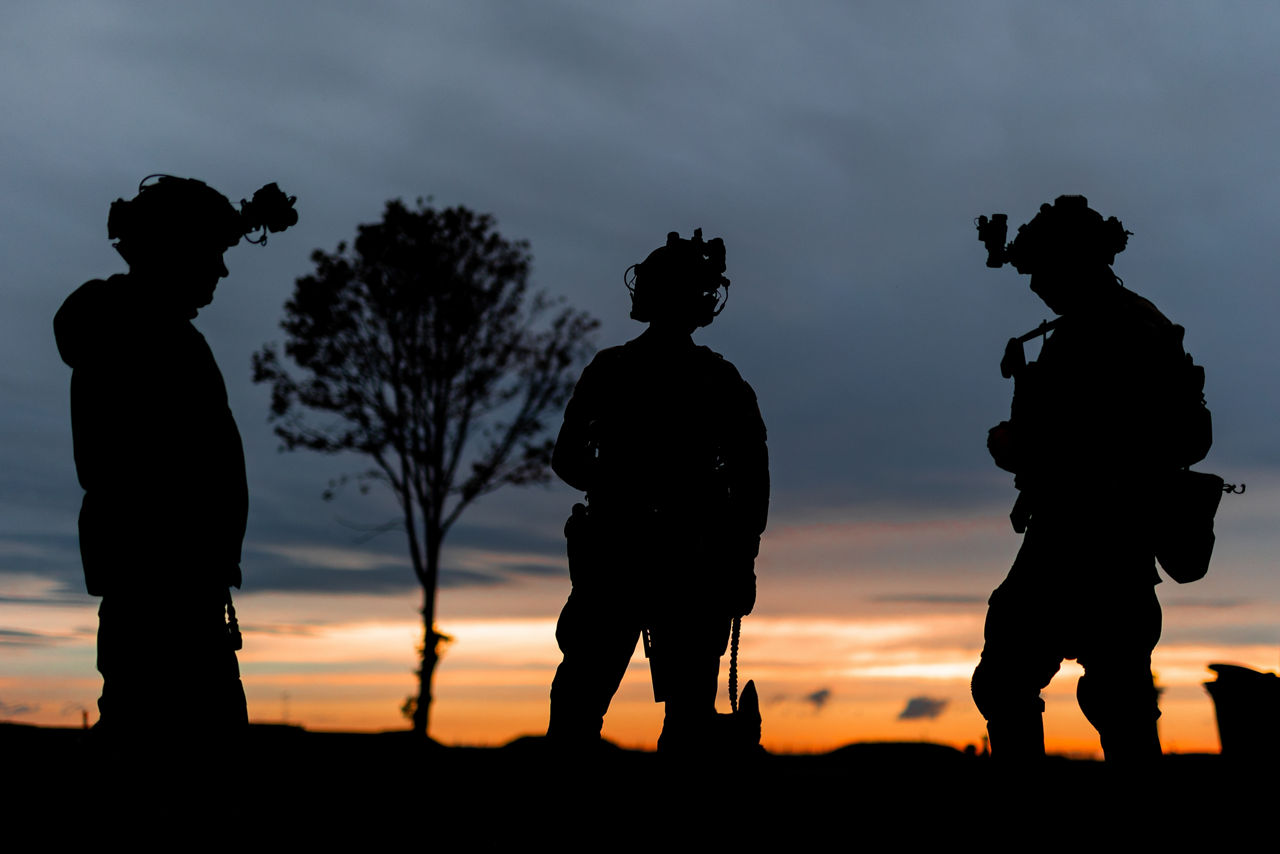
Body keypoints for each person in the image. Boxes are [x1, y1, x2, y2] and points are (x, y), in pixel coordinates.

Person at [53, 175, 296, 744]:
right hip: (165, 598)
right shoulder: (143, 336)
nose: (222, 271)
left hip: (170, 592)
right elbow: (166, 477)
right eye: (212, 255)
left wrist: (229, 225)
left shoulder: (141, 329)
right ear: (177, 254)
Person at [972, 195, 1212, 760]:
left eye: (1043, 272)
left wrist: (1015, 446)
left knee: (1012, 680)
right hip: (1116, 544)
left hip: (1083, 537)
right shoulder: (1125, 321)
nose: (1037, 286)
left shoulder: (1105, 331)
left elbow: (1084, 440)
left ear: (1074, 263)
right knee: (1118, 698)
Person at [547, 229, 769, 753]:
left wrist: (620, 487)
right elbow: (751, 488)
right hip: (681, 564)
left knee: (580, 710)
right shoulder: (720, 380)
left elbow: (567, 460)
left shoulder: (611, 370)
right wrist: (740, 563)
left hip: (629, 560)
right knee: (681, 722)